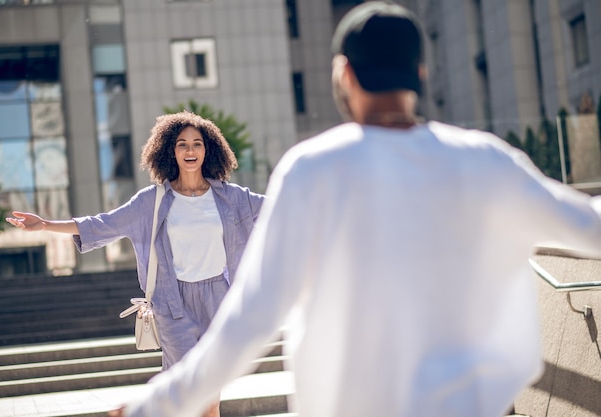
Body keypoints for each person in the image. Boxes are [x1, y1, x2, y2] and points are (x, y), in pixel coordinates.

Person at [112, 2, 601, 417]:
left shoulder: (313, 170)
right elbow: (590, 226)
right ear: (421, 73)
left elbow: (249, 322)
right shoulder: (486, 160)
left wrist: (151, 405)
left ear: (343, 73)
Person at [6, 111, 265, 417]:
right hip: (173, 305)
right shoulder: (151, 202)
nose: (190, 151)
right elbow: (103, 224)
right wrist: (46, 224)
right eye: (182, 144)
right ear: (170, 150)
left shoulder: (231, 198)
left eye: (197, 144)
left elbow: (283, 206)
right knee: (188, 393)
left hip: (220, 301)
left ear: (208, 149)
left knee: (210, 398)